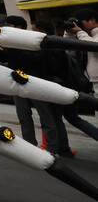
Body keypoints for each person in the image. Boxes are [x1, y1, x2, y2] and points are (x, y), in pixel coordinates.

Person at [31, 20, 74, 158]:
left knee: (49, 118)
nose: (32, 33)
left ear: (42, 31)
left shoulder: (45, 47)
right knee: (57, 118)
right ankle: (64, 148)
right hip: (60, 84)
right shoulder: (58, 45)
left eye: (34, 30)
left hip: (48, 85)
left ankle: (53, 148)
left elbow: (49, 68)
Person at [0, 15, 38, 146]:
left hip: (35, 80)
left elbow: (33, 59)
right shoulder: (10, 43)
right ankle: (30, 144)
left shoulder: (29, 40)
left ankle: (54, 147)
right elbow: (4, 59)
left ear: (18, 27)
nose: (5, 27)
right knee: (23, 115)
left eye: (8, 25)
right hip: (17, 82)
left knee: (45, 115)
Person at [65, 9, 98, 93]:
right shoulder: (86, 35)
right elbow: (70, 52)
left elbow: (94, 47)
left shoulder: (86, 35)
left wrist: (79, 32)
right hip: (91, 80)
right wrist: (69, 33)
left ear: (92, 20)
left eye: (80, 22)